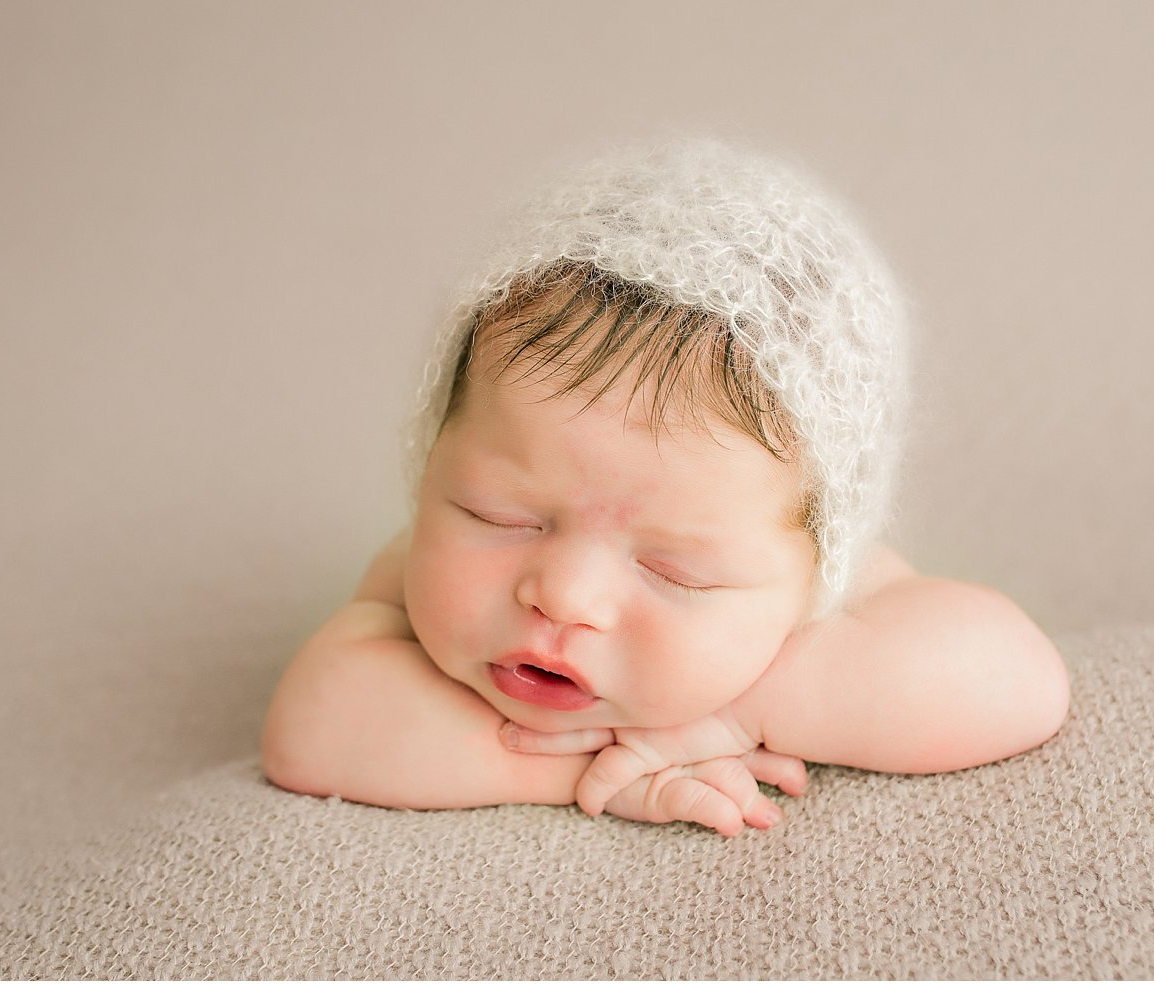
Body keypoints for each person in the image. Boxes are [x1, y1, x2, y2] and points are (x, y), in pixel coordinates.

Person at [261, 138, 1069, 836]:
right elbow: (315, 725)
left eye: (672, 570)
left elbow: (1019, 682)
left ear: (814, 569)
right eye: (501, 517)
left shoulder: (819, 604)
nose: (564, 595)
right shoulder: (418, 573)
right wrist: (598, 771)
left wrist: (736, 712)